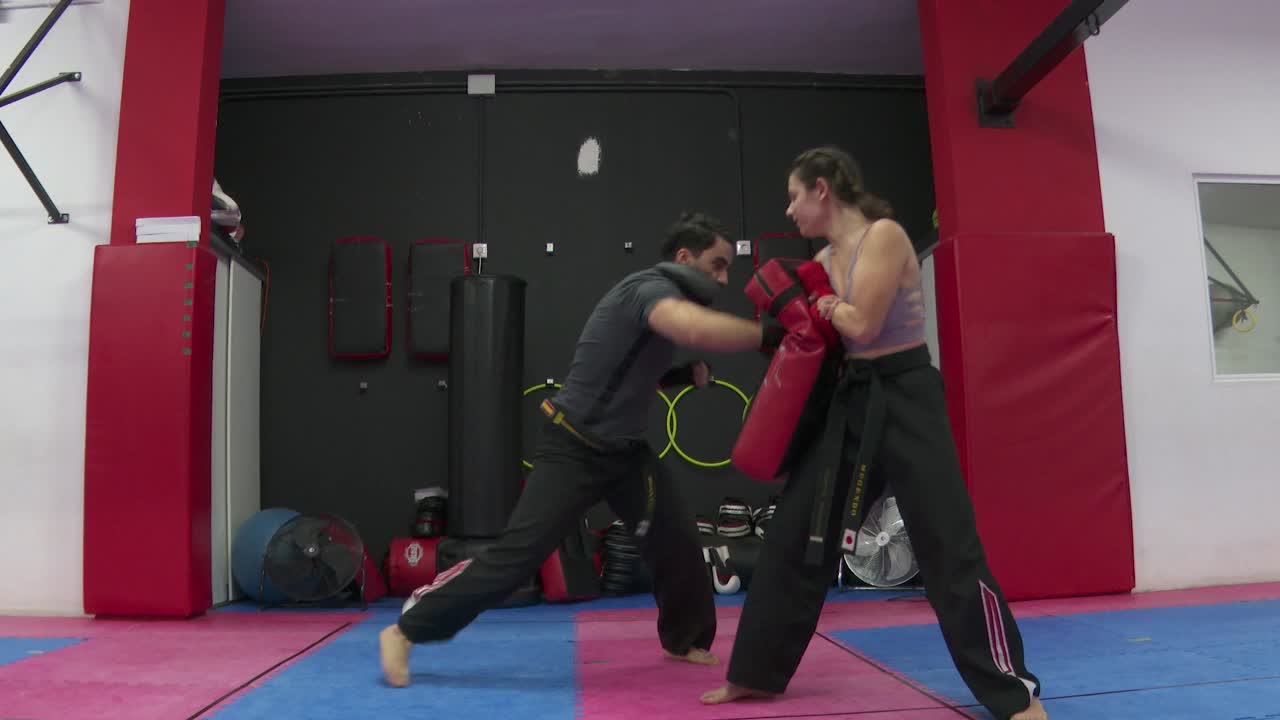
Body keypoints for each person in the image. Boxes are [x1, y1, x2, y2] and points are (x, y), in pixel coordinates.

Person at [699, 147, 1049, 720]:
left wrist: (823, 301)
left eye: (793, 196)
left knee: (947, 544)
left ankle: (1014, 693)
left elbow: (861, 320)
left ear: (821, 189)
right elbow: (829, 334)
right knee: (795, 535)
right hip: (852, 397)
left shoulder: (881, 236)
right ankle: (756, 675)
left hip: (906, 394)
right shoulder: (823, 258)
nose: (788, 210)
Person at [380, 211, 781, 687]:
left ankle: (685, 640)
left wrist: (675, 376)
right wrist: (767, 336)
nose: (723, 277)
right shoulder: (649, 289)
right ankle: (405, 631)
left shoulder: (661, 299)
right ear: (683, 258)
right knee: (515, 559)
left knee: (675, 538)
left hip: (626, 455)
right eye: (717, 264)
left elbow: (621, 367)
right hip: (574, 448)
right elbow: (691, 327)